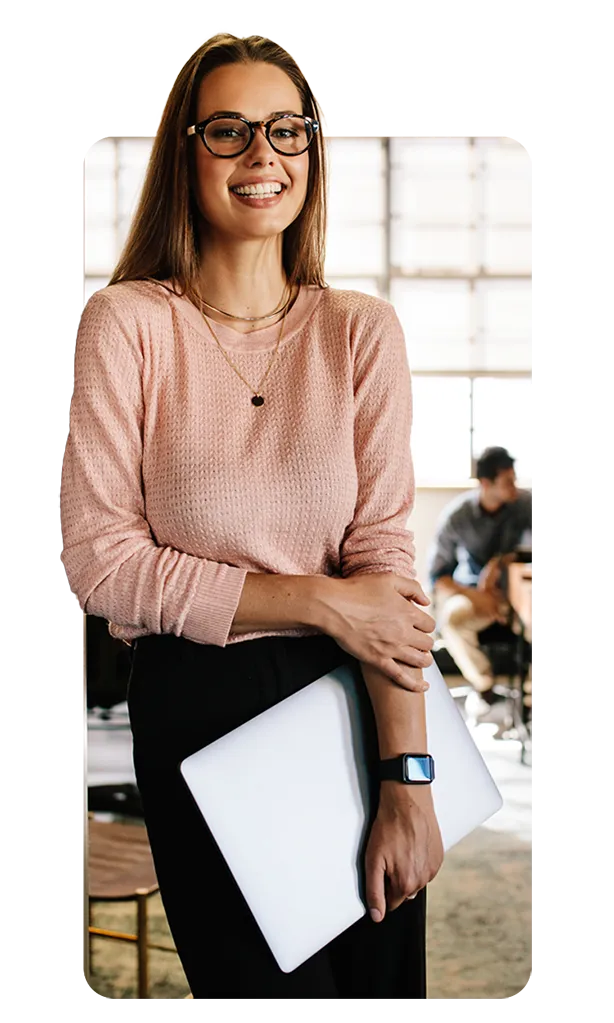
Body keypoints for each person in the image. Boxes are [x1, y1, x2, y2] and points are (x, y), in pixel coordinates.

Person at [60, 31, 444, 999]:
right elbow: (101, 563)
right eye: (227, 130)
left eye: (284, 130)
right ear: (183, 152)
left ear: (312, 153)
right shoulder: (128, 325)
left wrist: (408, 777)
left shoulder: (359, 332)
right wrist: (320, 601)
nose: (260, 155)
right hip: (199, 707)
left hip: (351, 702)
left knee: (374, 989)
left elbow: (384, 562)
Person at [426, 446, 535, 719]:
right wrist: (478, 597)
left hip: (520, 594)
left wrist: (501, 561)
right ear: (486, 483)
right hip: (474, 594)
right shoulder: (458, 516)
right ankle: (485, 687)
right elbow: (438, 576)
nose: (515, 486)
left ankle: (531, 695)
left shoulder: (527, 505)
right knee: (452, 619)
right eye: (507, 481)